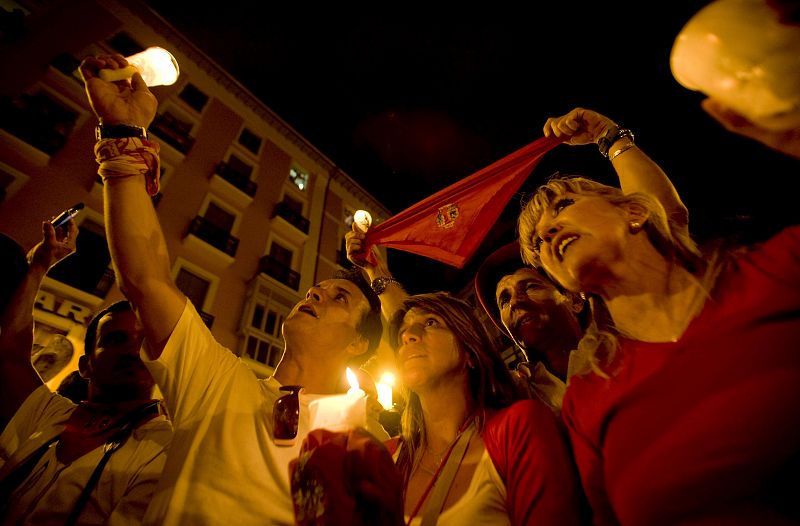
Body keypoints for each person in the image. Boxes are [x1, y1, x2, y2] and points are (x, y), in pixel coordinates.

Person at [79, 53, 389, 526]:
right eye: (316, 291)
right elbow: (146, 280)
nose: (314, 295)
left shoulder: (366, 438)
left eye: (338, 298)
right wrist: (123, 135)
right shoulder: (216, 380)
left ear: (359, 342)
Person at [516, 169, 800, 524]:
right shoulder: (585, 399)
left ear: (634, 212)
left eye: (564, 205)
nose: (546, 232)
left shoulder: (779, 268)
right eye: (538, 243)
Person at [0, 220, 171, 525]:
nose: (133, 351)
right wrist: (40, 265)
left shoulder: (166, 451)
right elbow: (11, 347)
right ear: (85, 366)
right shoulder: (50, 414)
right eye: (115, 340)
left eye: (144, 342)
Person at [389, 292, 586, 525]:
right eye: (402, 332)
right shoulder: (383, 456)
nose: (408, 336)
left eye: (431, 322)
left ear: (470, 352)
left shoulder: (518, 428)